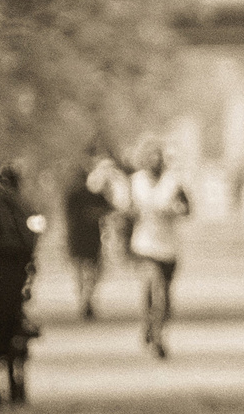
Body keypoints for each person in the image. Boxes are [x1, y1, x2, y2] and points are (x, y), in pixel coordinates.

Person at [125, 140, 190, 358]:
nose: (155, 162)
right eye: (150, 157)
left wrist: (177, 209)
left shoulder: (174, 182)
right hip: (144, 245)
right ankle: (155, 333)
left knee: (165, 297)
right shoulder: (135, 182)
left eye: (158, 158)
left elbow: (188, 208)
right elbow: (127, 210)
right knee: (154, 289)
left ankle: (156, 327)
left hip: (169, 247)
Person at [63, 155, 116, 320]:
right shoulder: (76, 194)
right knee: (88, 271)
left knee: (84, 271)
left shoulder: (83, 194)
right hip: (83, 237)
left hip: (83, 237)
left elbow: (108, 207)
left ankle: (85, 299)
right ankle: (86, 299)